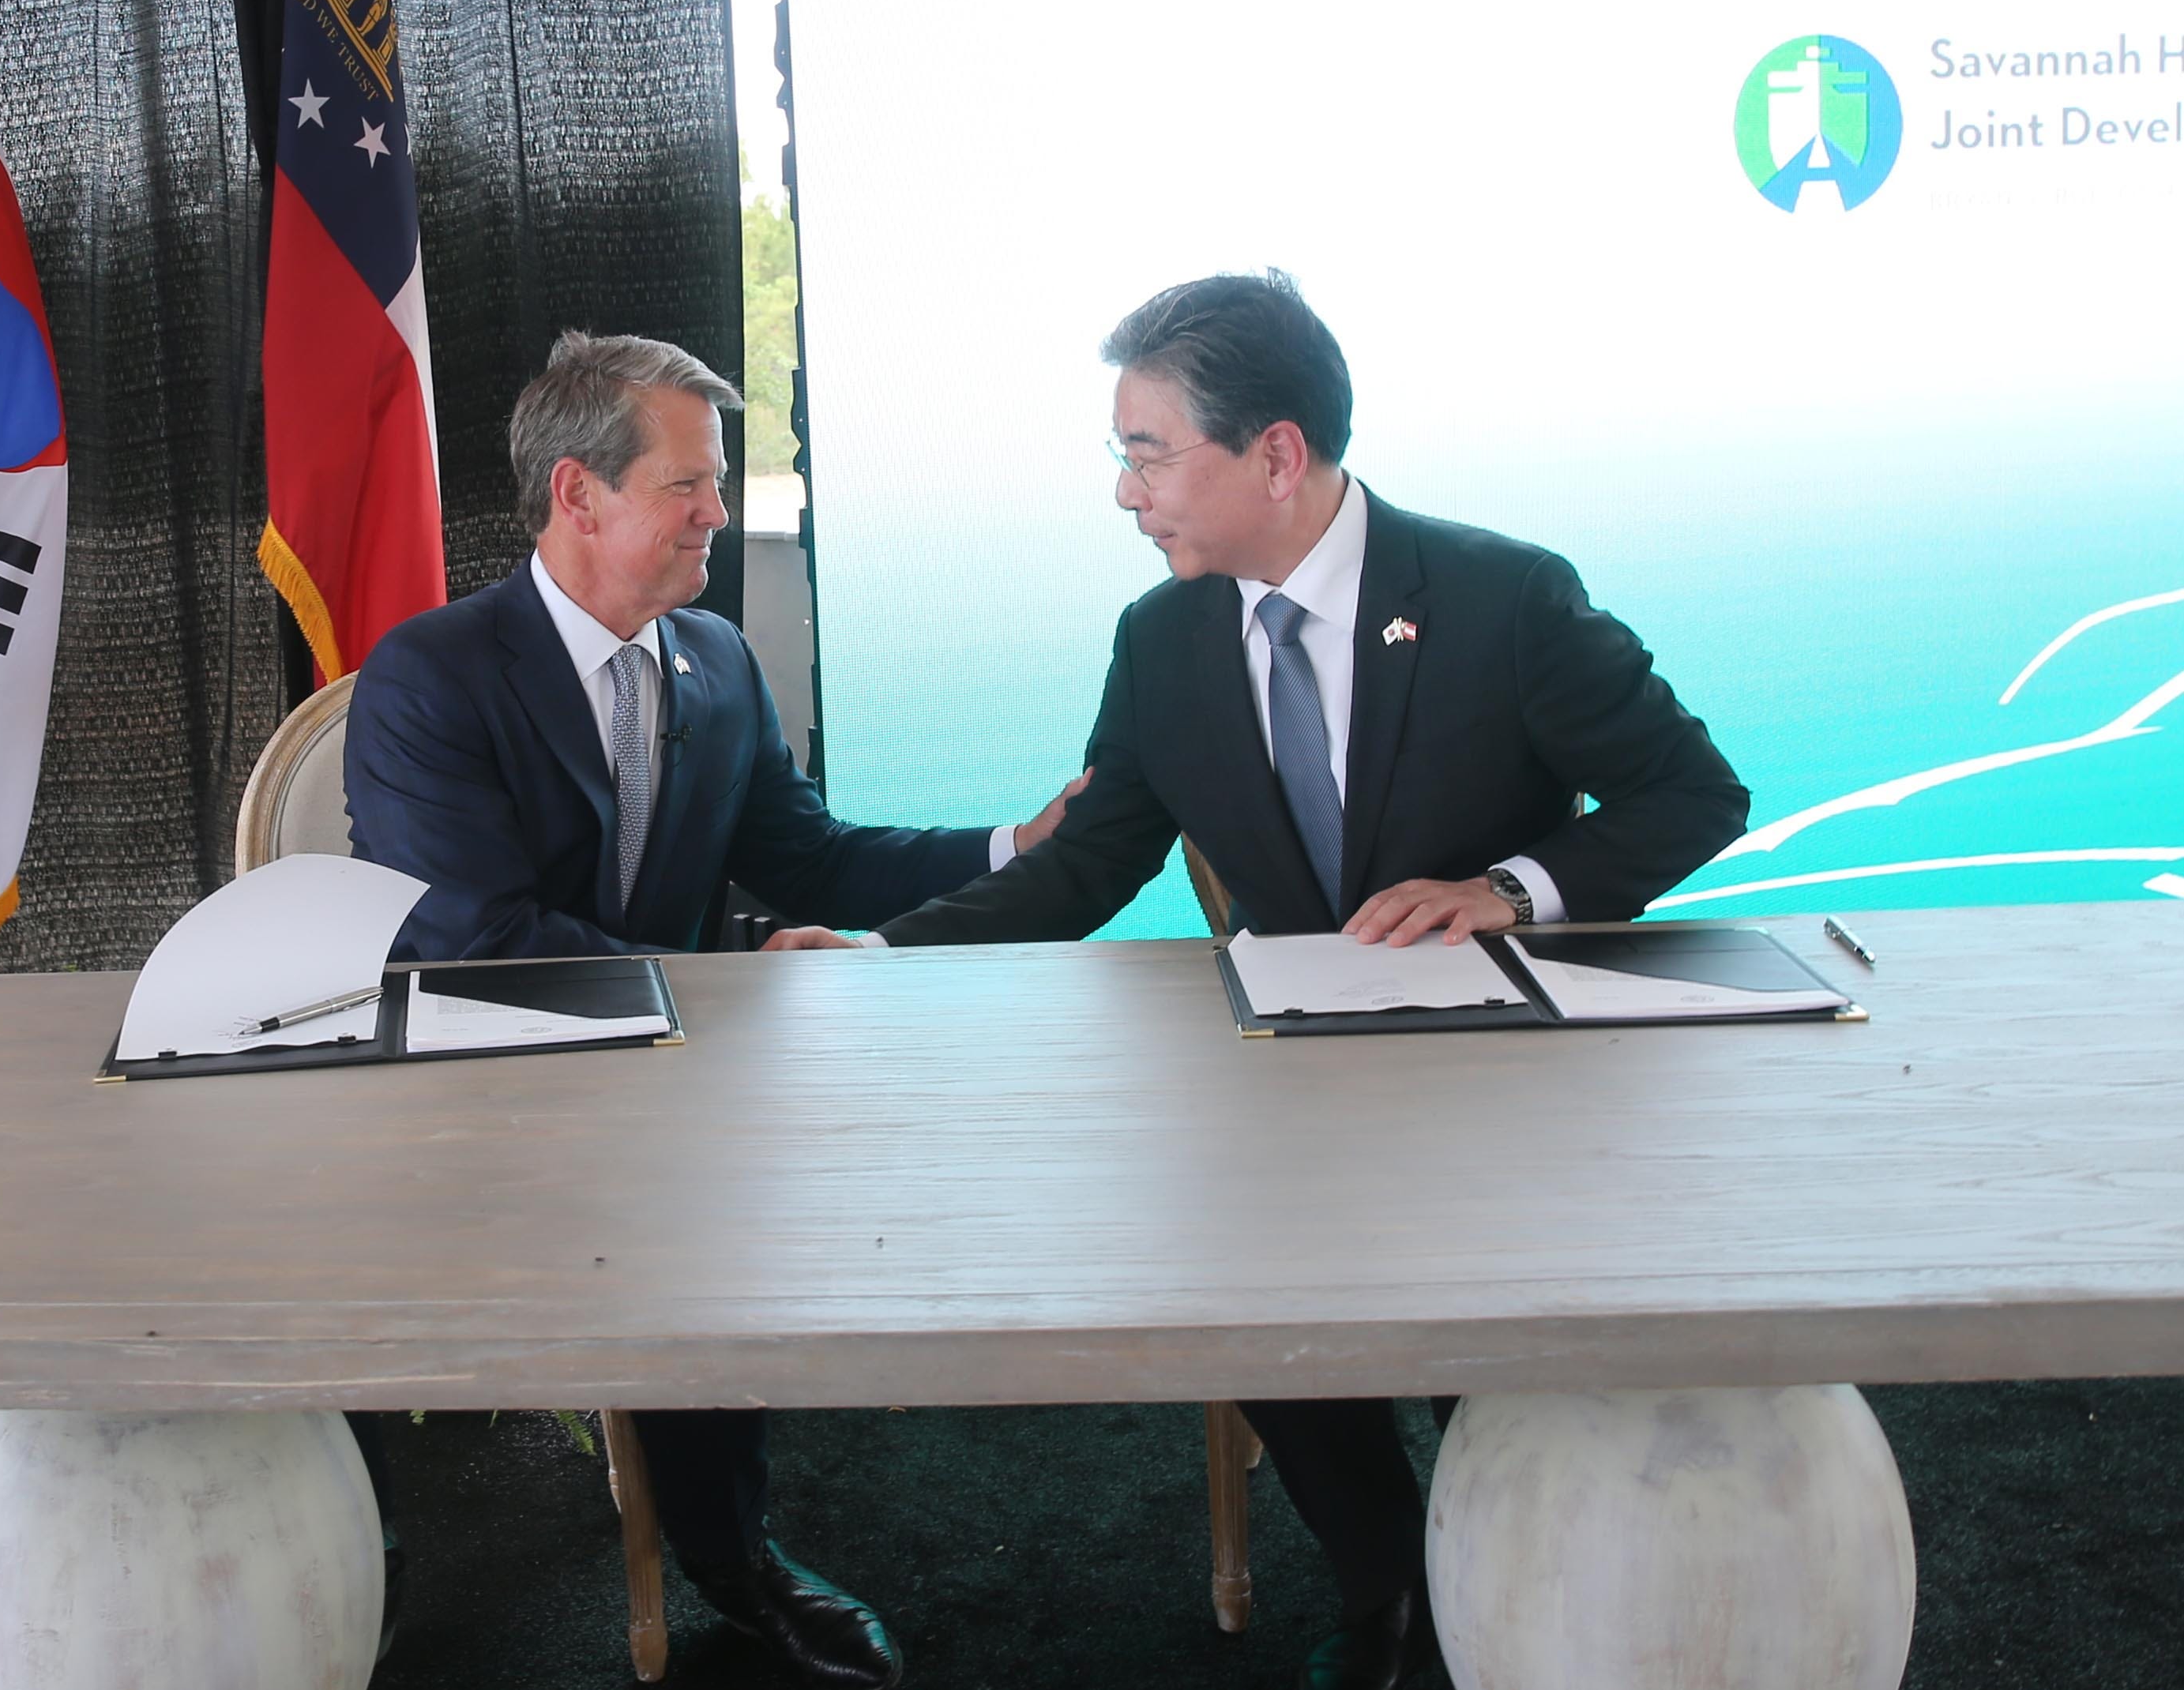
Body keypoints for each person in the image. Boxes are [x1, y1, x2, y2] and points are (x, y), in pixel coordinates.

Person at [769, 272, 1748, 1690]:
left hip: (1499, 1090)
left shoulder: (1502, 596)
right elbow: (1087, 862)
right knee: (1251, 1284)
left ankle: (1521, 1580)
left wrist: (1510, 890)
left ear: (1276, 455)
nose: (1124, 492)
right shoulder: (1162, 637)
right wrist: (879, 958)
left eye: (1148, 453)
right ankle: (1390, 1588)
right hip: (1290, 1094)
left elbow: (1693, 794)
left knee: (1483, 1349)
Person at [345, 329, 1080, 1690]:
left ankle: (732, 1563)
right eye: (687, 483)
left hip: (667, 1082)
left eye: (719, 481)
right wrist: (730, 987)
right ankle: (362, 1560)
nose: (718, 513)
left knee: (720, 1215)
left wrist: (1011, 844)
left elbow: (813, 857)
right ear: (577, 494)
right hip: (465, 1101)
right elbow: (481, 942)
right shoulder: (429, 674)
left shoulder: (717, 660)